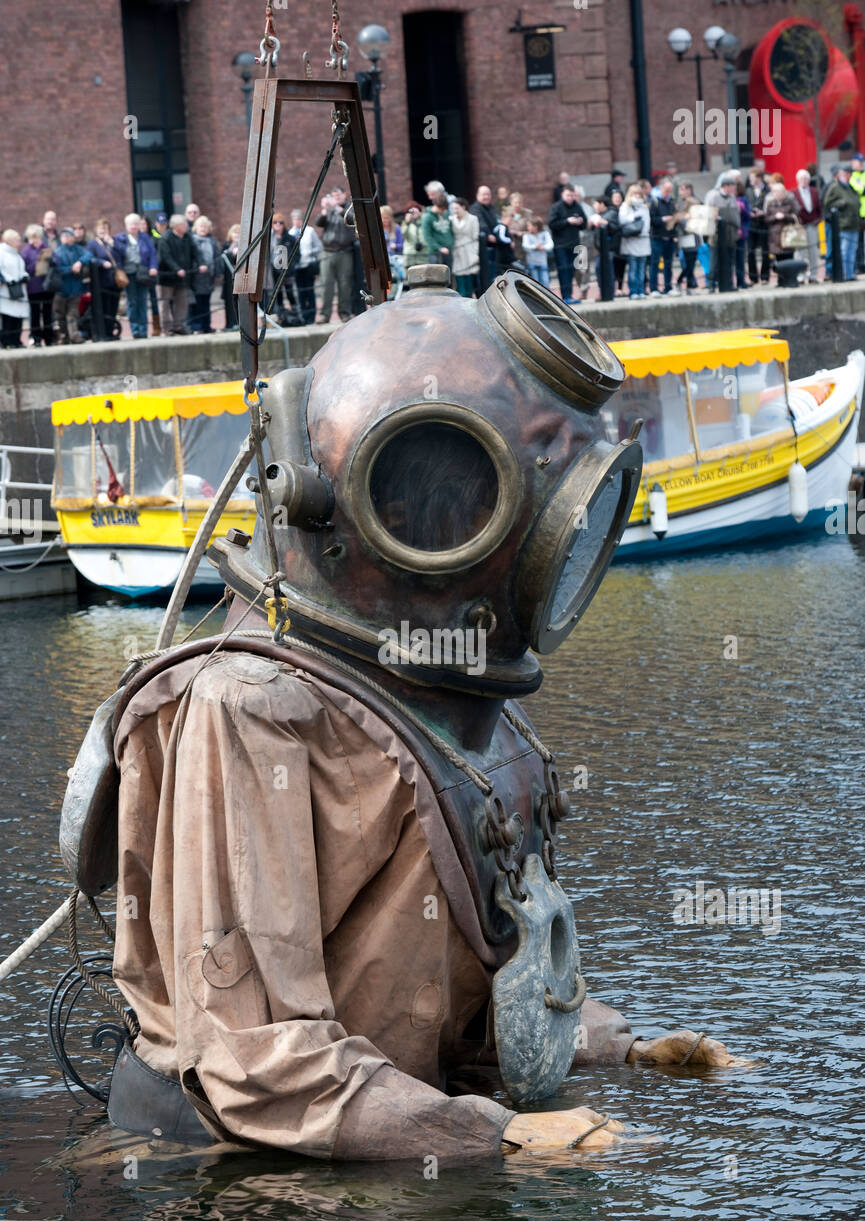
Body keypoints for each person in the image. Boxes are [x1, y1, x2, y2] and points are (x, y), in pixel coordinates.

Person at [96, 276, 747, 1164]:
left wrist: (618, 1046)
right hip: (254, 1186)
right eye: (441, 499)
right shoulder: (249, 706)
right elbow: (253, 1062)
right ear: (353, 503)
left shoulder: (466, 699)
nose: (513, 536)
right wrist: (503, 1137)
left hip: (410, 1139)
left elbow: (475, 979)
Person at [315, 188, 356, 323]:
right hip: (327, 252)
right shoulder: (329, 209)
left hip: (345, 252)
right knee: (326, 285)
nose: (336, 197)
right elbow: (319, 223)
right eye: (333, 195)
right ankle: (324, 315)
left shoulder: (350, 208)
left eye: (338, 194)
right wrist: (325, 210)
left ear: (345, 195)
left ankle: (344, 313)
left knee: (344, 285)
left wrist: (339, 210)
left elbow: (353, 220)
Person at [114, 213, 157, 338]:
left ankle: (143, 330)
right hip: (128, 274)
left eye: (136, 224)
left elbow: (152, 253)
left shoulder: (145, 237)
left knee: (142, 301)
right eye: (131, 224)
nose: (133, 226)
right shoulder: (120, 239)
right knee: (132, 302)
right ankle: (135, 329)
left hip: (143, 273)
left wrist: (153, 267)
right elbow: (117, 254)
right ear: (126, 225)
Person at [50, 227, 92, 344]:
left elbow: (89, 255)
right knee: (60, 315)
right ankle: (64, 336)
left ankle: (74, 336)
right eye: (64, 236)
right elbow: (57, 269)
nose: (66, 238)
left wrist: (80, 262)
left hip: (75, 289)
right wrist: (71, 269)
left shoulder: (78, 249)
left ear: (73, 237)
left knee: (73, 314)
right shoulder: (57, 252)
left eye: (68, 236)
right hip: (61, 289)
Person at [156, 213, 194, 334]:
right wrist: (176, 269)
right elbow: (166, 257)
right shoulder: (165, 238)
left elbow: (195, 252)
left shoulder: (187, 237)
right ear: (177, 226)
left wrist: (201, 263)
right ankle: (166, 328)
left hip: (182, 277)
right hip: (166, 277)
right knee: (165, 303)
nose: (187, 226)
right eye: (184, 224)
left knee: (182, 302)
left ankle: (179, 326)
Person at [86, 218, 123, 339]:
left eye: (105, 228)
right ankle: (101, 333)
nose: (103, 231)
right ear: (96, 230)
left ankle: (110, 331)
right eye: (101, 228)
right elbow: (89, 258)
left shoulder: (113, 242)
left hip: (114, 281)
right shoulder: (93, 244)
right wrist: (102, 262)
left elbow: (121, 256)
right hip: (101, 282)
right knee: (103, 307)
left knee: (113, 307)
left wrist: (112, 244)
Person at [823, 164, 860, 281]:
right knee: (843, 250)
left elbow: (856, 200)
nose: (848, 176)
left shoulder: (850, 187)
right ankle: (842, 274)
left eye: (849, 173)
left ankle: (850, 274)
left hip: (854, 223)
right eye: (846, 173)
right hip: (843, 223)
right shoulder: (835, 187)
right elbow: (827, 203)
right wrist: (840, 203)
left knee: (852, 251)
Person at [548, 185, 585, 303]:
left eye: (572, 195)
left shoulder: (577, 206)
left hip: (574, 244)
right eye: (568, 195)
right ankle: (565, 297)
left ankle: (569, 295)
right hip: (560, 245)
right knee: (563, 269)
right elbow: (552, 224)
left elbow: (584, 224)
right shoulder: (556, 207)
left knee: (571, 270)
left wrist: (580, 222)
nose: (570, 198)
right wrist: (567, 221)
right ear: (562, 195)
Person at [706, 173, 740, 292]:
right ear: (726, 186)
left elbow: (736, 216)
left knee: (729, 261)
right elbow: (708, 214)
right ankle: (711, 284)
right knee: (714, 261)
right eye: (732, 185)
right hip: (716, 234)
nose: (734, 188)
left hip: (731, 234)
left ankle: (728, 283)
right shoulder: (713, 197)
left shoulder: (732, 198)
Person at [21, 224, 55, 346]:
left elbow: (56, 260)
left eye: (37, 237)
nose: (35, 240)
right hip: (33, 287)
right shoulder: (26, 251)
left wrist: (51, 261)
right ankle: (36, 338)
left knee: (47, 313)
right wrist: (35, 265)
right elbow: (23, 267)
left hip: (46, 286)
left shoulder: (45, 248)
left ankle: (49, 338)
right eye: (32, 237)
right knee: (34, 314)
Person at [188, 215, 222, 333]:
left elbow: (217, 258)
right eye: (200, 226)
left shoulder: (212, 241)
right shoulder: (192, 241)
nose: (203, 228)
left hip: (208, 277)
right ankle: (197, 327)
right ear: (195, 228)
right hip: (196, 277)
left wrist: (218, 272)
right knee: (196, 302)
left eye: (205, 226)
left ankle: (206, 326)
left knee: (206, 302)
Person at [288, 210, 322, 325]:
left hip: (308, 265)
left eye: (298, 219)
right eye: (294, 219)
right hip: (297, 267)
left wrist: (309, 253)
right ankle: (303, 316)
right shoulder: (290, 233)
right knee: (300, 292)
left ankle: (311, 316)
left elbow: (318, 247)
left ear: (302, 220)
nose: (296, 221)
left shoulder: (309, 231)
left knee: (310, 291)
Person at [618, 183, 651, 299]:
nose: (637, 196)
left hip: (643, 241)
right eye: (635, 194)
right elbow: (622, 220)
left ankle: (640, 290)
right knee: (633, 268)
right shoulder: (625, 206)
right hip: (631, 241)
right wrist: (634, 217)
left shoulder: (644, 207)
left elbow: (647, 223)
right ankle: (633, 291)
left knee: (642, 269)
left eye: (639, 194)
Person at [764, 175, 801, 278]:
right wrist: (775, 217)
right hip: (775, 236)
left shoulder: (790, 202)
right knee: (778, 259)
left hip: (788, 235)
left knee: (789, 257)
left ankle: (791, 278)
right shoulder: (770, 204)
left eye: (780, 192)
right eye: (776, 192)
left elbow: (796, 217)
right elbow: (766, 218)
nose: (778, 194)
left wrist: (784, 216)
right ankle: (781, 280)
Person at [0, 230, 29, 348]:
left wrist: (24, 276)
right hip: (7, 291)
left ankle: (17, 340)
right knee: (8, 317)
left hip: (19, 290)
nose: (19, 243)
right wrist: (8, 279)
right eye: (17, 240)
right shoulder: (2, 252)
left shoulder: (16, 254)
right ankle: (7, 341)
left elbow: (21, 268)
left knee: (18, 316)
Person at [792, 168, 822, 284]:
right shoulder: (793, 193)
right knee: (799, 251)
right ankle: (800, 276)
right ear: (797, 180)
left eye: (805, 178)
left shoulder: (814, 191)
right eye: (801, 178)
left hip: (812, 224)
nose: (803, 181)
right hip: (800, 225)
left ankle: (813, 275)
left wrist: (818, 220)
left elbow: (820, 207)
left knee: (813, 251)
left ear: (809, 180)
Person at [649, 177, 678, 295]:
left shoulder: (672, 202)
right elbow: (651, 220)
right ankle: (654, 288)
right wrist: (663, 219)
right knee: (655, 263)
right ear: (661, 189)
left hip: (670, 237)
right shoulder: (655, 202)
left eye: (670, 190)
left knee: (668, 263)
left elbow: (674, 216)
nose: (668, 193)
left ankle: (668, 287)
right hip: (657, 237)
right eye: (666, 190)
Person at [469, 185, 498, 292]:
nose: (486, 197)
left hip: (494, 247)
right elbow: (480, 223)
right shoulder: (475, 208)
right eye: (483, 194)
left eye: (488, 194)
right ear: (477, 196)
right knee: (485, 276)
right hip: (483, 248)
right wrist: (489, 234)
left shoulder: (491, 208)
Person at [673, 183, 701, 293]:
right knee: (688, 263)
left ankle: (689, 286)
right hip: (685, 236)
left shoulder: (695, 201)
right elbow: (679, 220)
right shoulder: (679, 204)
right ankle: (679, 282)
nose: (683, 192)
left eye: (685, 190)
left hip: (695, 236)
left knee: (692, 262)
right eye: (681, 190)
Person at [449, 198, 480, 297]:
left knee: (470, 280)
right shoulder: (451, 219)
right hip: (457, 251)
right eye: (453, 209)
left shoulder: (473, 219)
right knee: (459, 278)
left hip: (469, 251)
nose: (455, 211)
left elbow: (476, 237)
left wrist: (475, 253)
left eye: (457, 208)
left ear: (463, 207)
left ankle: (470, 298)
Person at [746, 167, 770, 285]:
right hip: (751, 224)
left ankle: (765, 276)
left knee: (766, 251)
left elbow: (770, 206)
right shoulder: (748, 191)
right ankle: (753, 278)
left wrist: (763, 212)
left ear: (759, 178)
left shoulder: (768, 191)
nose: (750, 180)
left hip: (764, 224)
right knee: (750, 251)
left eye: (752, 178)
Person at [421, 192, 454, 268]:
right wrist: (439, 248)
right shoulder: (427, 217)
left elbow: (449, 230)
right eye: (441, 209)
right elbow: (427, 237)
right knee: (437, 278)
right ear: (435, 205)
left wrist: (452, 242)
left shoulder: (446, 214)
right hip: (435, 254)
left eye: (444, 209)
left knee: (449, 276)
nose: (443, 211)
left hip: (448, 251)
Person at [522, 217, 553, 287]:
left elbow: (550, 244)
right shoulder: (526, 235)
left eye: (529, 226)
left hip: (543, 262)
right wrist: (535, 246)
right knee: (535, 284)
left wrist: (543, 247)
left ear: (535, 226)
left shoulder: (545, 234)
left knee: (545, 283)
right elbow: (525, 246)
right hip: (532, 263)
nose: (528, 227)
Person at [221, 223, 242, 330]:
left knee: (240, 302)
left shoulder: (243, 246)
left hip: (240, 279)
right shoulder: (226, 246)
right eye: (235, 232)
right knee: (229, 302)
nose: (237, 235)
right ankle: (230, 324)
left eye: (239, 232)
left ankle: (240, 323)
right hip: (228, 280)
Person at [848, 153, 865, 272]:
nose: (858, 164)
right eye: (856, 161)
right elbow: (858, 189)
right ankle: (858, 265)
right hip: (858, 214)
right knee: (857, 242)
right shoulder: (852, 176)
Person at [609, 188, 627, 294]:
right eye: (615, 197)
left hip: (624, 241)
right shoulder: (610, 211)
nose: (617, 199)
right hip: (613, 243)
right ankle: (614, 288)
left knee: (622, 265)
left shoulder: (625, 209)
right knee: (614, 266)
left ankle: (620, 288)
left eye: (619, 197)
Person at [401, 202, 427, 274]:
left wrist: (421, 215)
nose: (413, 213)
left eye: (415, 211)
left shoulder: (424, 222)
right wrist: (407, 222)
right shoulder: (405, 223)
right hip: (410, 256)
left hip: (423, 256)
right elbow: (403, 234)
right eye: (411, 212)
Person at [735, 178, 751, 289]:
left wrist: (743, 209)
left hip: (741, 232)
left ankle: (741, 280)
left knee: (740, 258)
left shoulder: (743, 199)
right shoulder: (728, 199)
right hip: (730, 232)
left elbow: (747, 216)